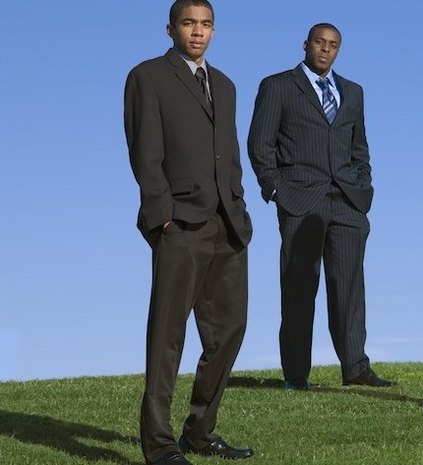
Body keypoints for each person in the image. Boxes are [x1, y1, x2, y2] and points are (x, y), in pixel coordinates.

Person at [124, 1, 255, 463]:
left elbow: (229, 152)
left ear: (214, 31)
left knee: (229, 331)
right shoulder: (148, 76)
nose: (197, 32)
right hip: (179, 223)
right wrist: (162, 217)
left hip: (228, 226)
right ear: (171, 28)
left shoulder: (226, 84)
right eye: (188, 24)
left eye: (205, 25)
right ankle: (158, 447)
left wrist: (238, 204)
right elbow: (144, 152)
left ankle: (199, 433)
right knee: (167, 336)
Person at [248, 23, 393, 390]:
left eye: (332, 45)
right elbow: (259, 144)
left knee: (349, 288)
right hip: (300, 201)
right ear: (306, 44)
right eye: (319, 43)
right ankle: (296, 375)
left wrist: (363, 189)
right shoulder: (278, 86)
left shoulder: (353, 92)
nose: (325, 50)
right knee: (299, 289)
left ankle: (356, 369)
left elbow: (361, 149)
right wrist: (276, 190)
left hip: (347, 203)